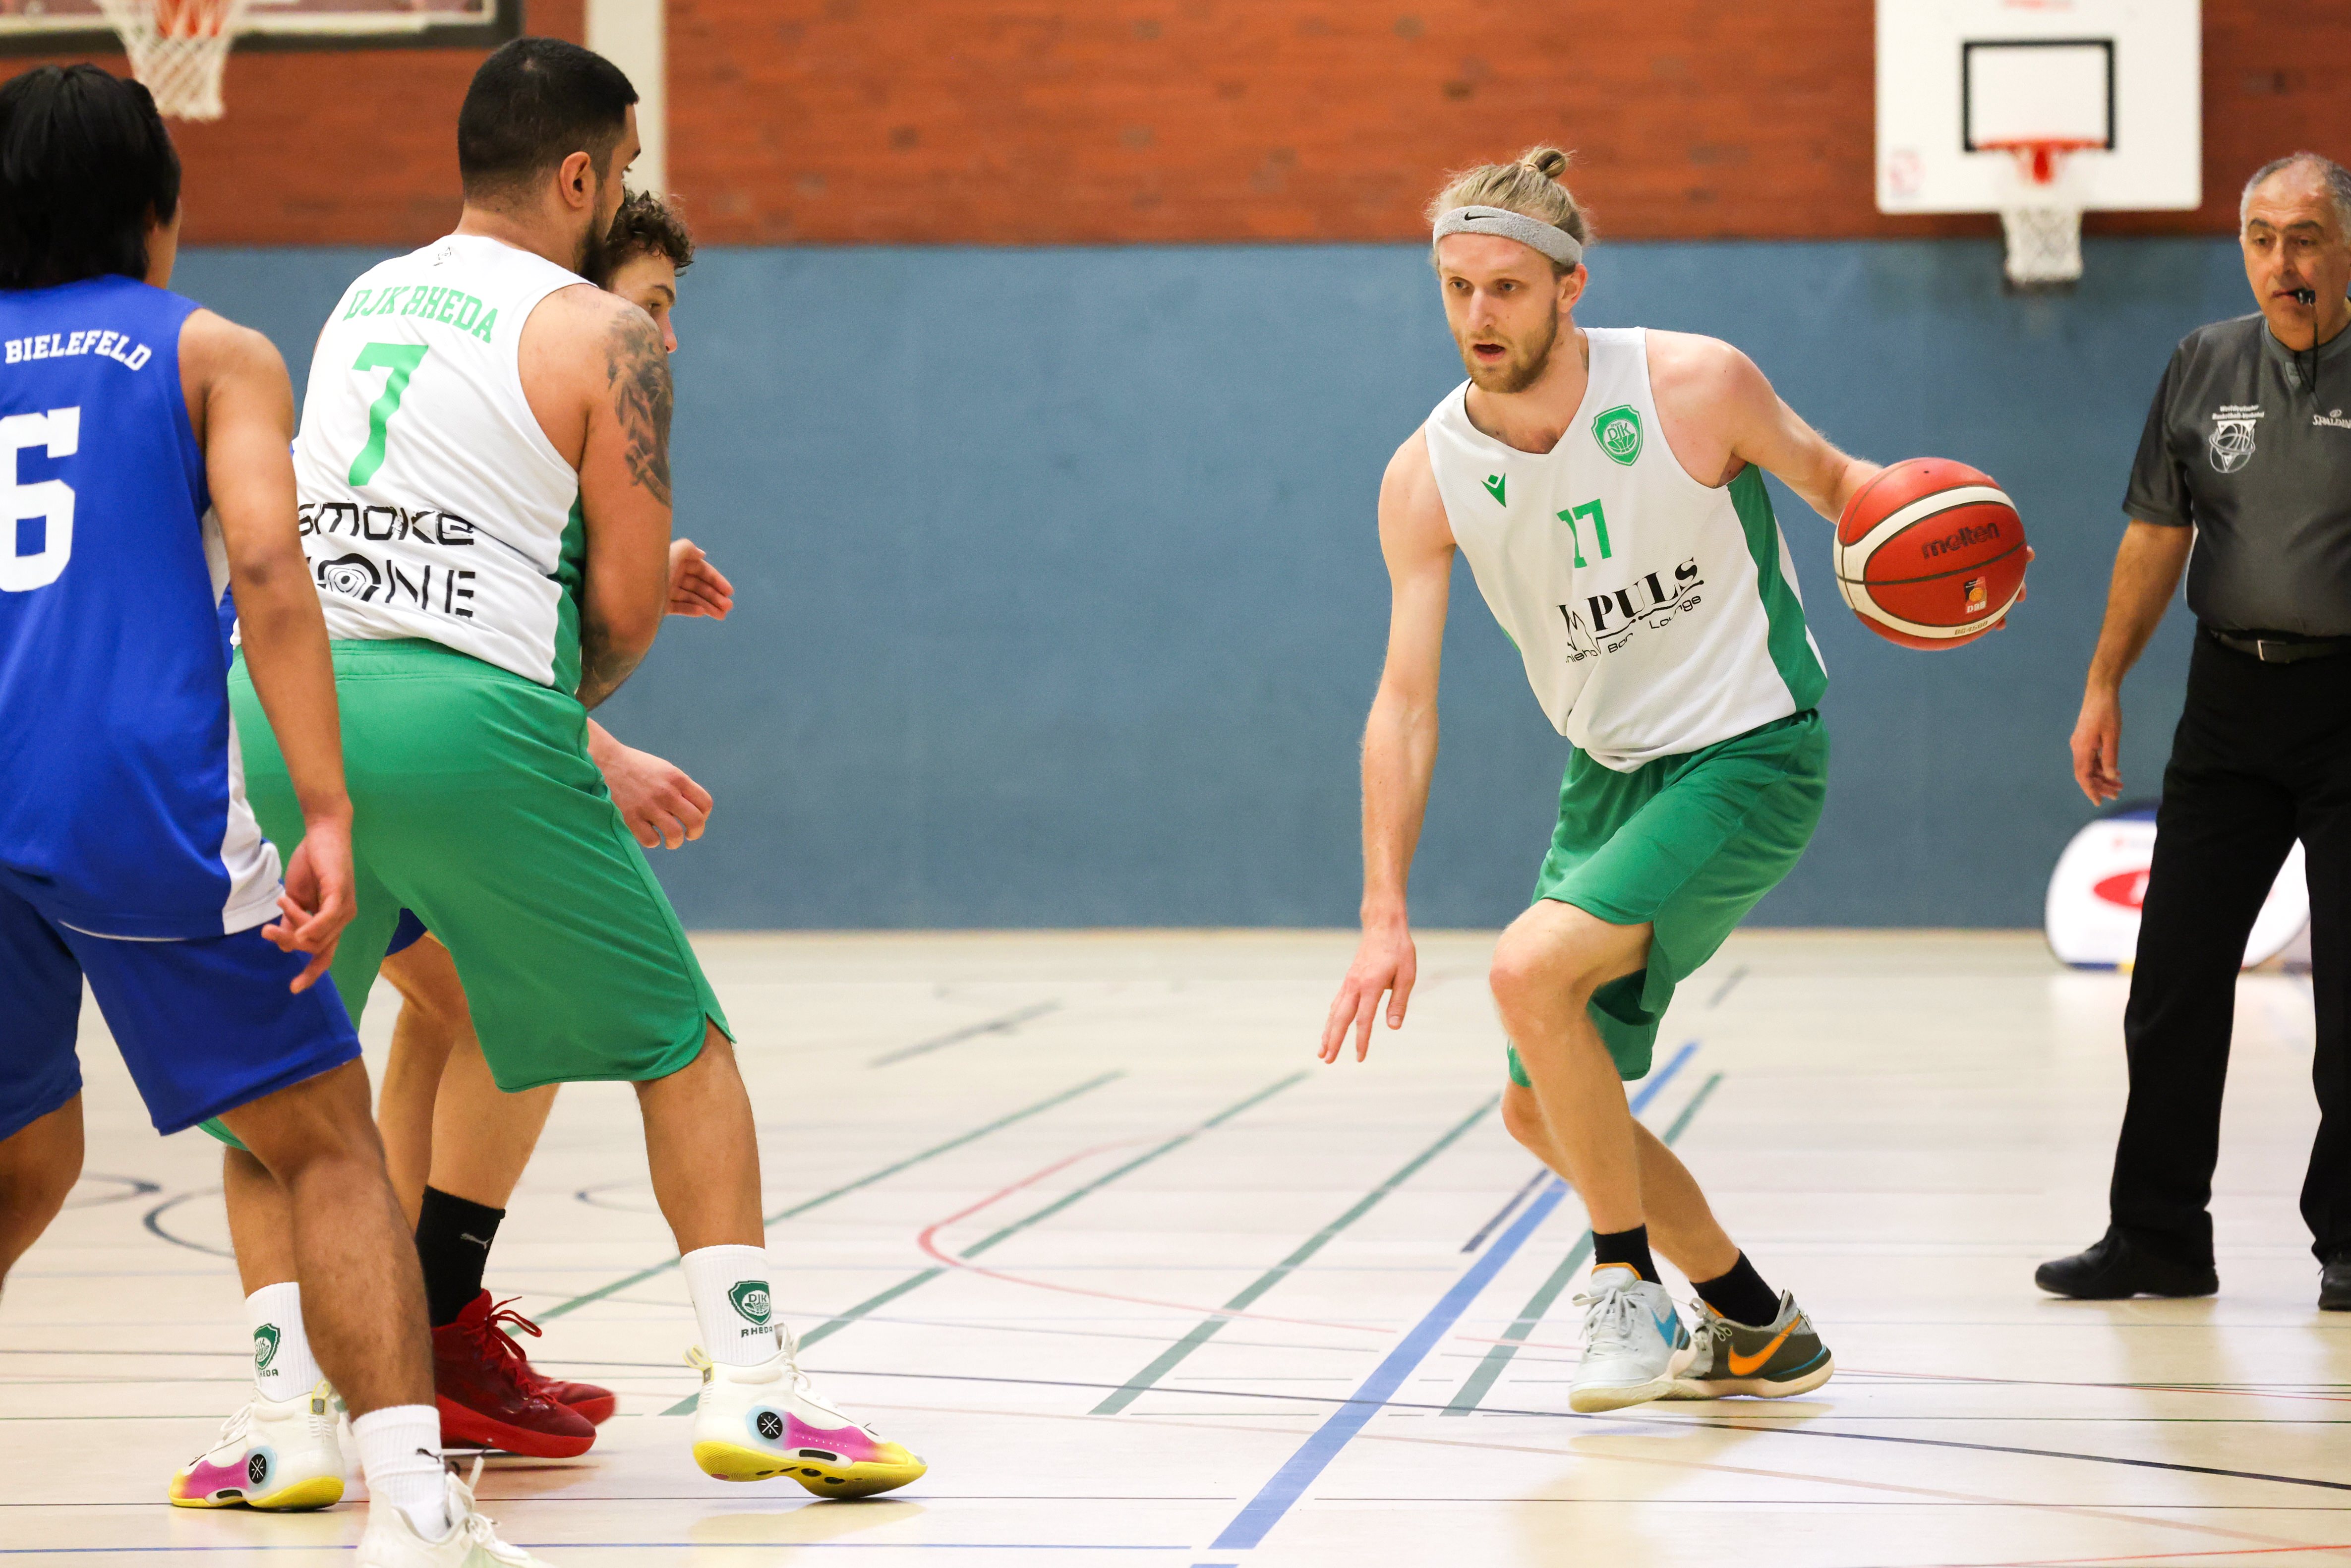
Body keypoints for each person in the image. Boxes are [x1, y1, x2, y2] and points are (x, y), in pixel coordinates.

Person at [211, 35, 923, 1499]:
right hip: (466, 721)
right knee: (681, 1046)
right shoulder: (609, 332)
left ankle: (282, 1419)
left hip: (279, 714)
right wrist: (547, 707)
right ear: (584, 175)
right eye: (631, 168)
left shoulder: (361, 298)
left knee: (280, 1079)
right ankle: (752, 1387)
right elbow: (621, 610)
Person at [0, 62, 532, 1565]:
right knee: (327, 1144)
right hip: (126, 794)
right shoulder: (210, 350)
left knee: (25, 1158)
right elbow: (267, 569)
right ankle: (413, 1512)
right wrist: (329, 808)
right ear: (158, 208)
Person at [172, 192, 725, 1503]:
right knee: (443, 1029)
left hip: (342, 738)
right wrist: (600, 751)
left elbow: (470, 620)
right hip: (311, 742)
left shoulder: (469, 379)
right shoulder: (541, 363)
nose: (664, 338)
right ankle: (397, 1338)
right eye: (651, 305)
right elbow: (412, 639)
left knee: (454, 1016)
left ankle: (404, 1331)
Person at [1321, 147, 1874, 1413]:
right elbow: (1404, 703)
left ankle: (1622, 1282)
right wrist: (1382, 910)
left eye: (1506, 288)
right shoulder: (1427, 474)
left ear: (1570, 288)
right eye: (1456, 287)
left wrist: (1936, 548)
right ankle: (1753, 1323)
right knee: (1539, 1111)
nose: (1478, 315)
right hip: (1610, 775)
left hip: (1752, 749)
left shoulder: (1693, 385)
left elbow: (1844, 487)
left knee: (1527, 970)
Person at [2040, 151, 2351, 1312]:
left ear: (2345, 249)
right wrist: (2102, 682)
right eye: (2261, 238)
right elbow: (2156, 535)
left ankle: (2349, 1242)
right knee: (2171, 977)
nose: (2283, 260)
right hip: (2228, 701)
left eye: (2305, 237)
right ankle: (2158, 1235)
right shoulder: (2201, 363)